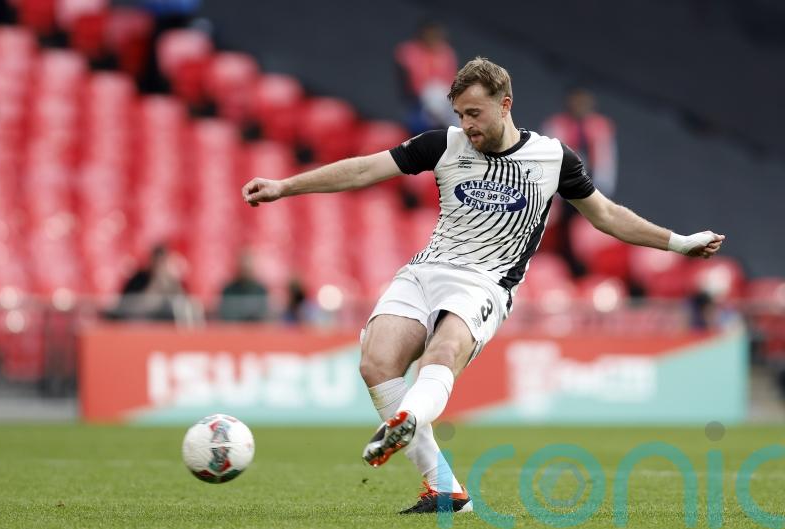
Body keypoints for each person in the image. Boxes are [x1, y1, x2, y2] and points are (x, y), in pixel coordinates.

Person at [241, 57, 725, 514]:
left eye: (474, 112)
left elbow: (608, 216)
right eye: (460, 113)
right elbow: (366, 167)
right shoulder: (444, 145)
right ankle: (443, 485)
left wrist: (680, 243)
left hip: (485, 283)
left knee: (443, 351)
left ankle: (407, 418)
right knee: (375, 361)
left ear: (505, 103)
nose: (467, 123)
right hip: (425, 270)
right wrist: (286, 186)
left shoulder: (552, 158)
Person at [542, 87, 617, 197]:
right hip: (558, 186)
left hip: (590, 188)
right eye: (577, 101)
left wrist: (599, 190)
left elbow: (605, 164)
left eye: (584, 102)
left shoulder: (601, 126)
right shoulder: (556, 124)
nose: (580, 105)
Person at [395, 20, 459, 134]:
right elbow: (409, 80)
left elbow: (451, 80)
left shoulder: (446, 52)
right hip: (421, 94)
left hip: (444, 94)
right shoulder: (409, 50)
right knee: (434, 92)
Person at [217, 250, 269, 322]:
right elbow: (224, 315)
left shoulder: (261, 290)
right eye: (244, 267)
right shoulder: (228, 289)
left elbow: (264, 317)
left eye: (248, 267)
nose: (246, 269)